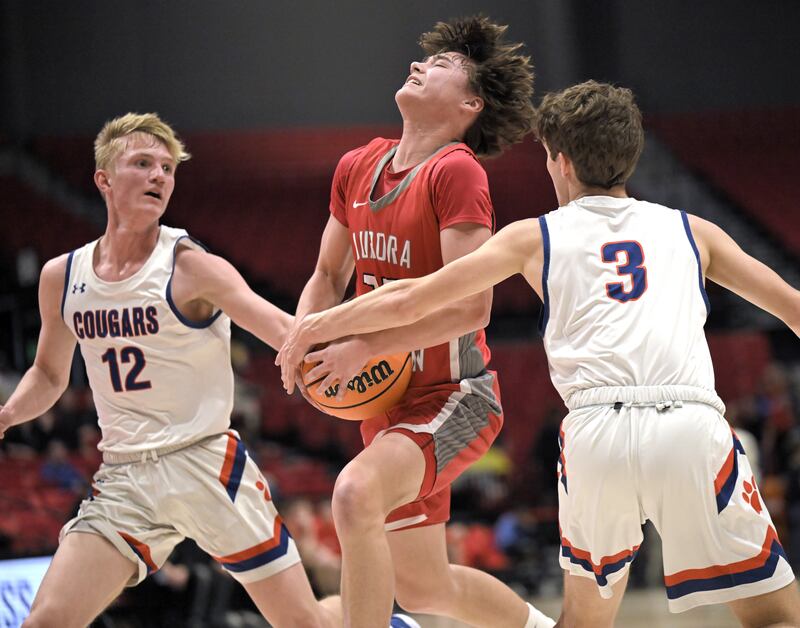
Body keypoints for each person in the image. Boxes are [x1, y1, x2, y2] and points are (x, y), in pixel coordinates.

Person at [278, 81, 800, 627]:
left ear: (562, 162)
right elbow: (791, 308)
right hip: (688, 424)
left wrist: (316, 326)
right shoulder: (695, 231)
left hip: (598, 433)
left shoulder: (534, 236)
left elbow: (411, 297)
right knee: (772, 616)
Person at [0, 113, 416, 628]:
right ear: (103, 180)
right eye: (143, 163)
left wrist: (360, 349)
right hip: (126, 476)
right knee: (46, 621)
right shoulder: (61, 278)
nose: (159, 177)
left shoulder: (190, 265)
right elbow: (47, 375)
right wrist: (6, 415)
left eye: (168, 168)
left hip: (206, 466)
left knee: (302, 624)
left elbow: (282, 329)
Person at [279, 15, 554, 628]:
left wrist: (361, 346)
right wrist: (306, 338)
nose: (418, 63)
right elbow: (327, 276)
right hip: (386, 401)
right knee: (426, 590)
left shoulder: (456, 172)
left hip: (454, 395)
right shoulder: (357, 165)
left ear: (469, 102)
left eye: (441, 65)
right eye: (424, 59)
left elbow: (470, 306)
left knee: (354, 496)